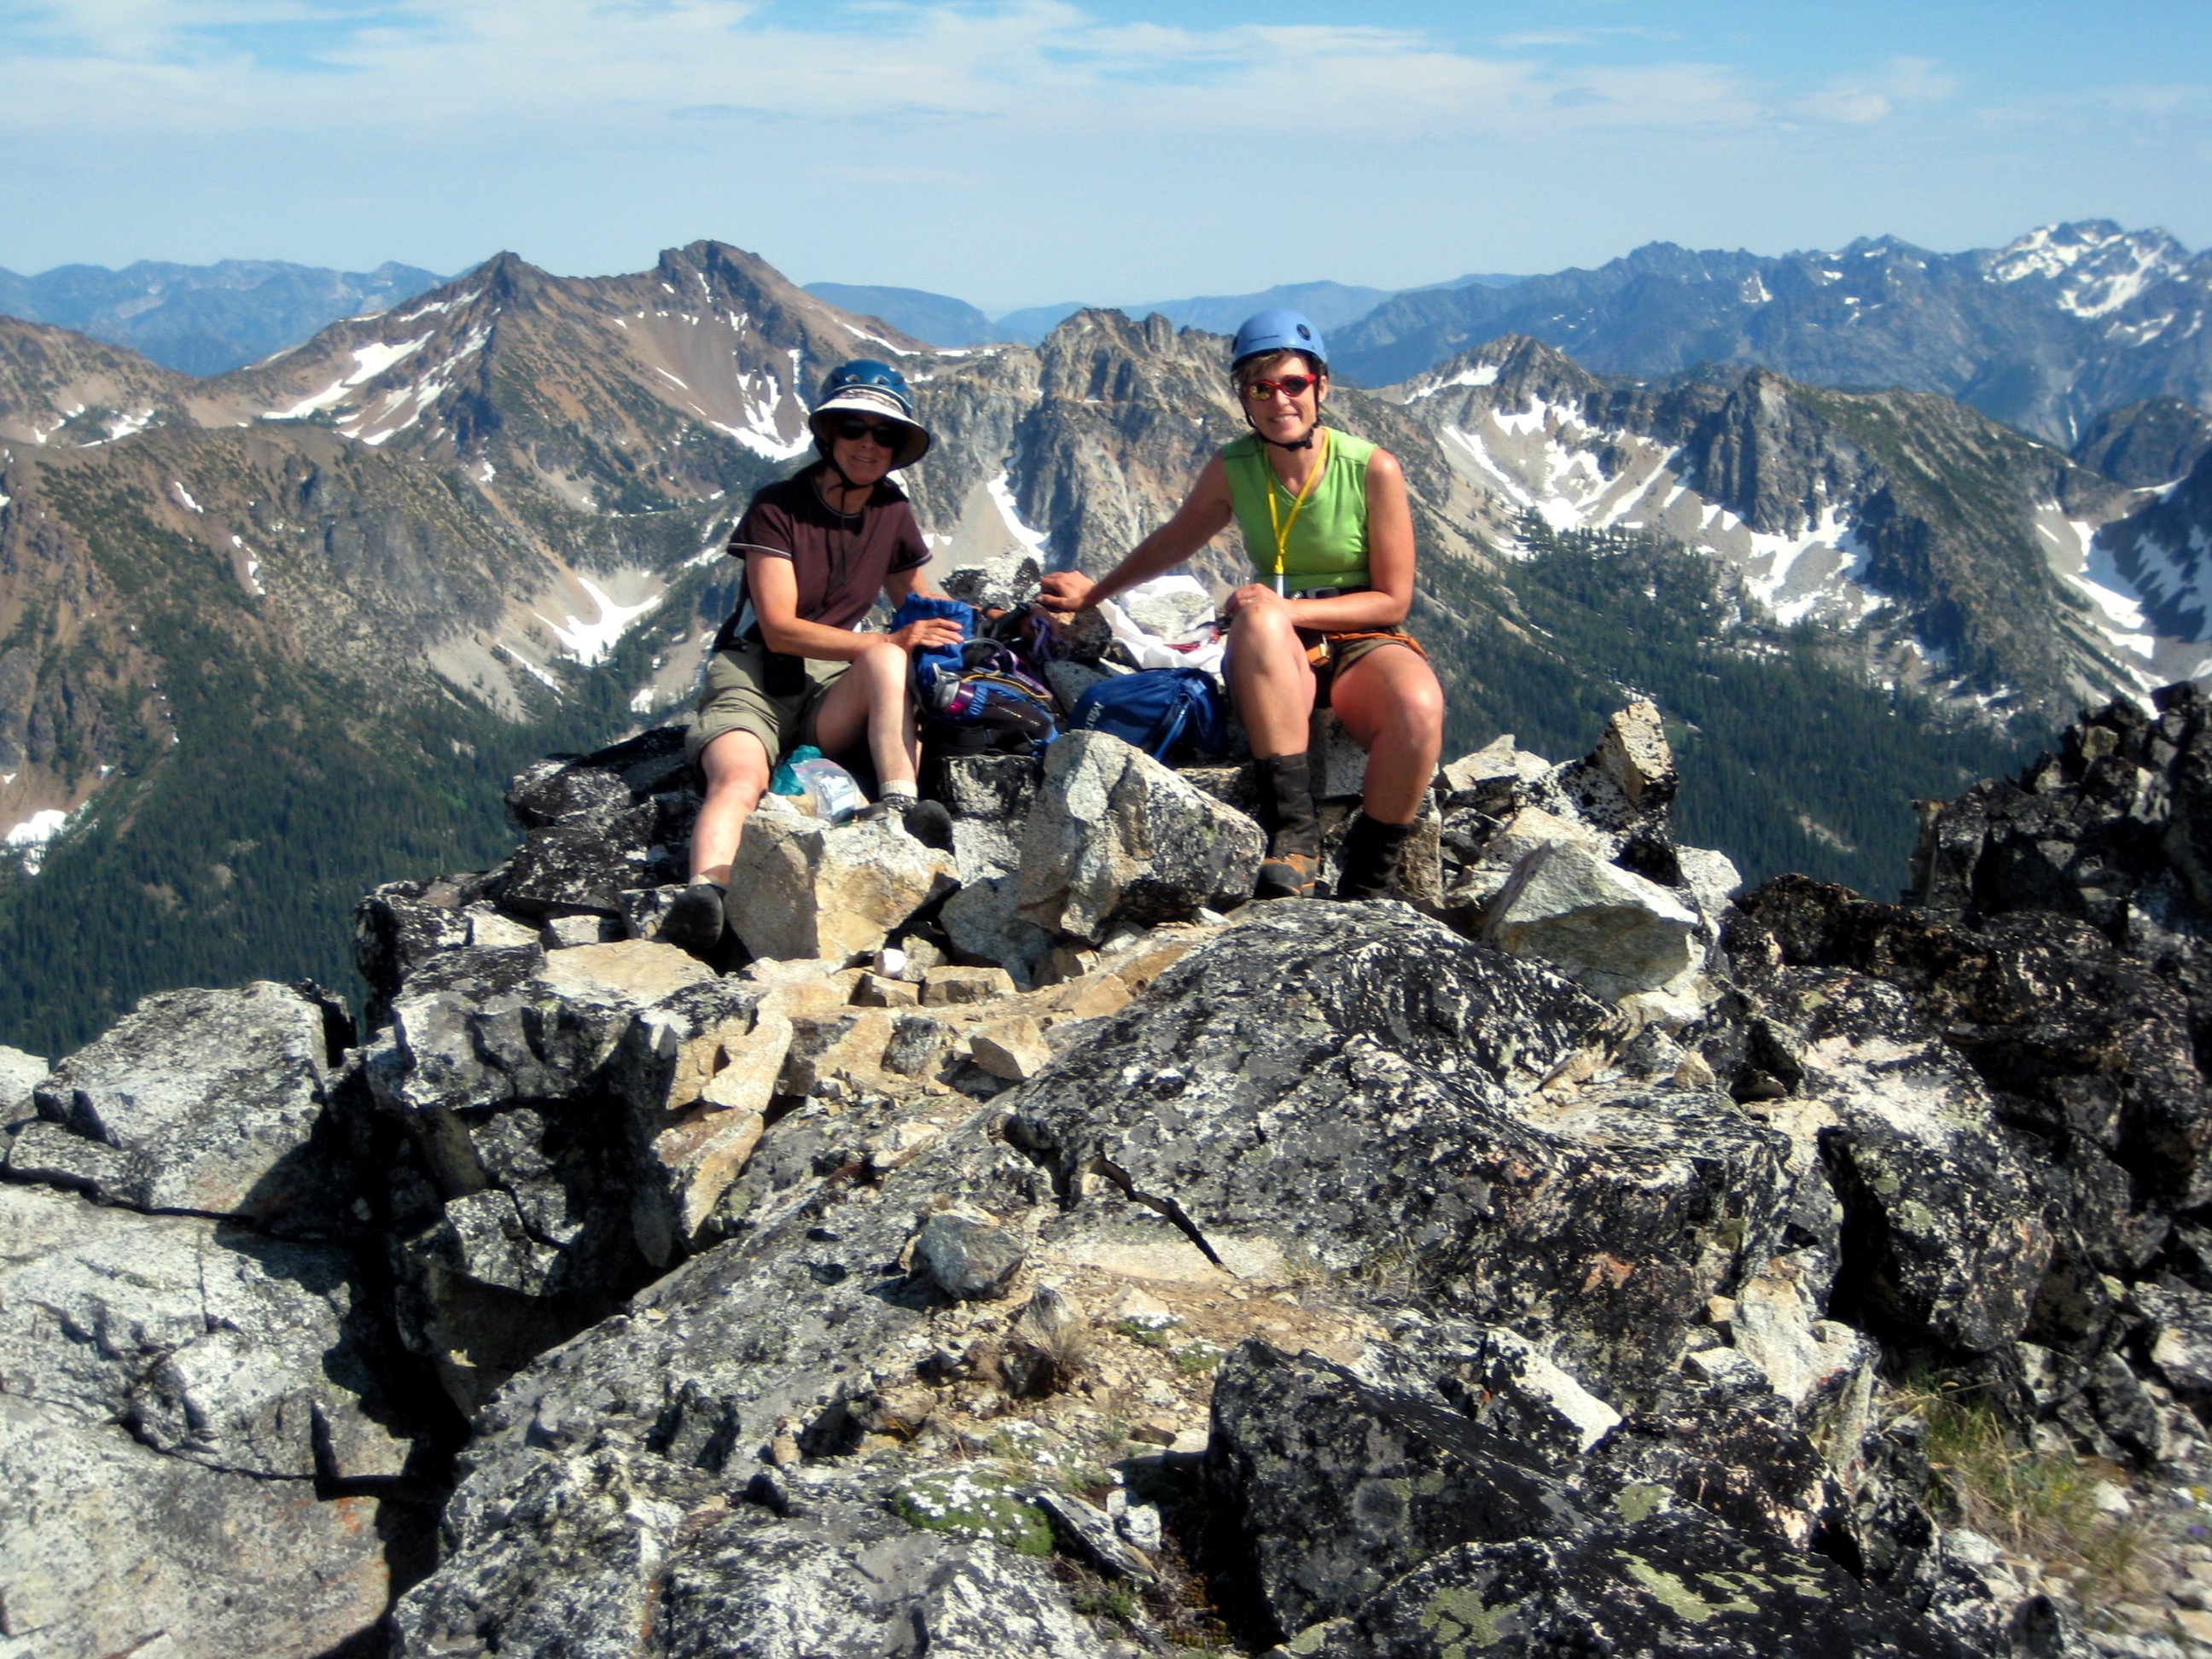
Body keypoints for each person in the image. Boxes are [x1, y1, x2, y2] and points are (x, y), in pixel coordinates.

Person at [1038, 310, 1445, 900]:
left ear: (1321, 386)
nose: (1279, 401)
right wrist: (1094, 595)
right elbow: (1173, 540)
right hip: (1273, 646)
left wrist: (1289, 611)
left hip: (1356, 634)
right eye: (1261, 388)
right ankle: (1296, 835)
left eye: (1293, 385)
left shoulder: (1371, 468)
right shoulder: (1235, 468)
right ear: (1244, 398)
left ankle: (1370, 879)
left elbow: (1392, 600)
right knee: (1256, 615)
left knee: (1420, 705)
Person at [661, 360, 962, 953]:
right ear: (829, 435)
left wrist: (990, 621)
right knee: (740, 777)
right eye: (854, 428)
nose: (868, 445)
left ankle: (899, 808)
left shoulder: (891, 512)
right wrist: (887, 640)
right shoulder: (778, 506)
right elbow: (778, 628)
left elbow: (917, 601)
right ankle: (708, 895)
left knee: (887, 659)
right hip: (752, 675)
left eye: (883, 434)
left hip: (830, 686)